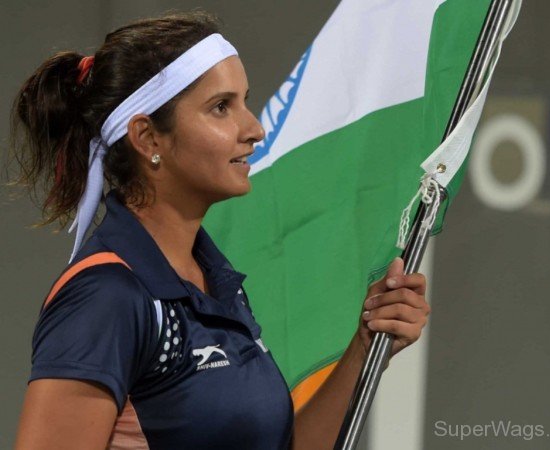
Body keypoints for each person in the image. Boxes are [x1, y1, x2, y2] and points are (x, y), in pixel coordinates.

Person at [11, 10, 430, 450]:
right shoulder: (105, 296)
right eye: (221, 107)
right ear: (148, 138)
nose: (253, 129)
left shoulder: (217, 283)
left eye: (243, 102)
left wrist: (365, 347)